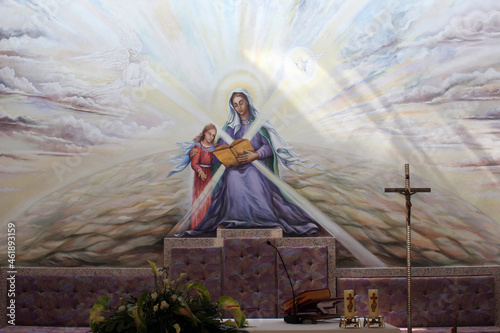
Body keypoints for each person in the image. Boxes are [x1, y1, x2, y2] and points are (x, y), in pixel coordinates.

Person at [180, 88, 319, 236]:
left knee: (253, 175)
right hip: (234, 168)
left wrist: (255, 155)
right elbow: (218, 149)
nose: (239, 107)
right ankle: (237, 217)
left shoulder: (258, 125)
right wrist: (203, 152)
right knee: (232, 177)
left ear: (248, 102)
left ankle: (262, 216)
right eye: (235, 105)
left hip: (256, 166)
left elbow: (268, 147)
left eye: (241, 103)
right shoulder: (230, 128)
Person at [167, 123, 217, 229]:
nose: (211, 137)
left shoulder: (214, 148)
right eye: (209, 134)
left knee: (208, 200)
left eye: (213, 135)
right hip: (200, 177)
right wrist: (200, 171)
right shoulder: (197, 147)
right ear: (204, 133)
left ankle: (206, 226)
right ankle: (197, 225)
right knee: (199, 198)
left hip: (209, 175)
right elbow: (194, 164)